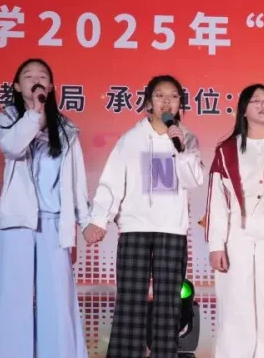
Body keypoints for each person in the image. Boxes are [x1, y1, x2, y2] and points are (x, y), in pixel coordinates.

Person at [85, 75, 204, 358]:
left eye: (173, 96)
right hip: (135, 229)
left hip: (172, 230)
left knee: (168, 307)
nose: (167, 101)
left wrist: (181, 149)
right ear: (149, 103)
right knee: (130, 303)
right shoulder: (131, 139)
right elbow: (112, 182)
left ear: (180, 103)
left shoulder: (187, 138)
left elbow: (194, 180)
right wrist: (99, 219)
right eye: (160, 95)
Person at [0, 58, 90, 358]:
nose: (36, 80)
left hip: (54, 223)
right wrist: (34, 114)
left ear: (50, 87)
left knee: (57, 301)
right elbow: (12, 147)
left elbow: (76, 180)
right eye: (28, 76)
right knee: (11, 299)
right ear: (17, 86)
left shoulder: (66, 129)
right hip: (18, 223)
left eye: (43, 76)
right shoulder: (7, 118)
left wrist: (84, 221)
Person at [204, 83, 264, 358]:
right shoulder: (227, 149)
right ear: (244, 110)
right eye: (256, 101)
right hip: (238, 227)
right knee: (236, 297)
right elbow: (217, 200)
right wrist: (216, 245)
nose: (263, 105)